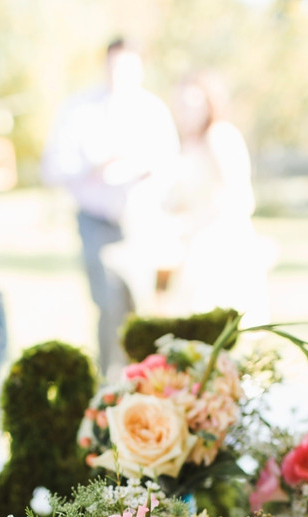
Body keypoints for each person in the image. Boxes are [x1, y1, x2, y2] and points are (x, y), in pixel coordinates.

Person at [41, 38, 180, 379]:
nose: (119, 73)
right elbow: (52, 168)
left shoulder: (153, 111)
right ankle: (111, 381)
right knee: (108, 305)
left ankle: (148, 379)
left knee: (143, 304)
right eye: (113, 65)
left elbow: (172, 169)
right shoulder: (79, 109)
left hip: (142, 221)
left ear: (140, 68)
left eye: (127, 66)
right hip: (97, 221)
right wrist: (94, 169)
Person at [165, 71, 272, 325]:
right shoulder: (189, 145)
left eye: (192, 103)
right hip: (194, 243)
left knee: (215, 320)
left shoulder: (220, 135)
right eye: (180, 104)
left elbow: (242, 198)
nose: (185, 111)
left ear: (209, 102)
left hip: (221, 246)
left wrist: (206, 223)